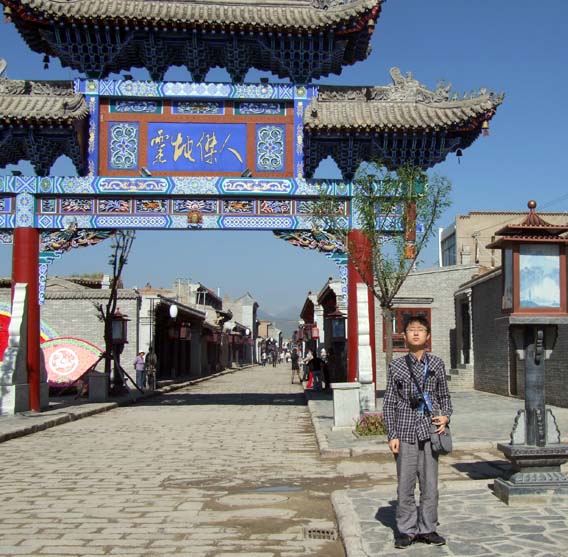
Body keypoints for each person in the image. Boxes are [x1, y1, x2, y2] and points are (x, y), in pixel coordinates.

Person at [383, 315, 452, 550]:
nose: (415, 333)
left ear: (427, 335)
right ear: (404, 336)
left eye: (420, 329)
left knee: (430, 483)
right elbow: (389, 403)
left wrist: (446, 416)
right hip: (405, 430)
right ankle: (406, 530)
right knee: (405, 483)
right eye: (411, 329)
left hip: (430, 430)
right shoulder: (396, 366)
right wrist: (392, 434)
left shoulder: (437, 364)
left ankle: (428, 528)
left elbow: (445, 396)